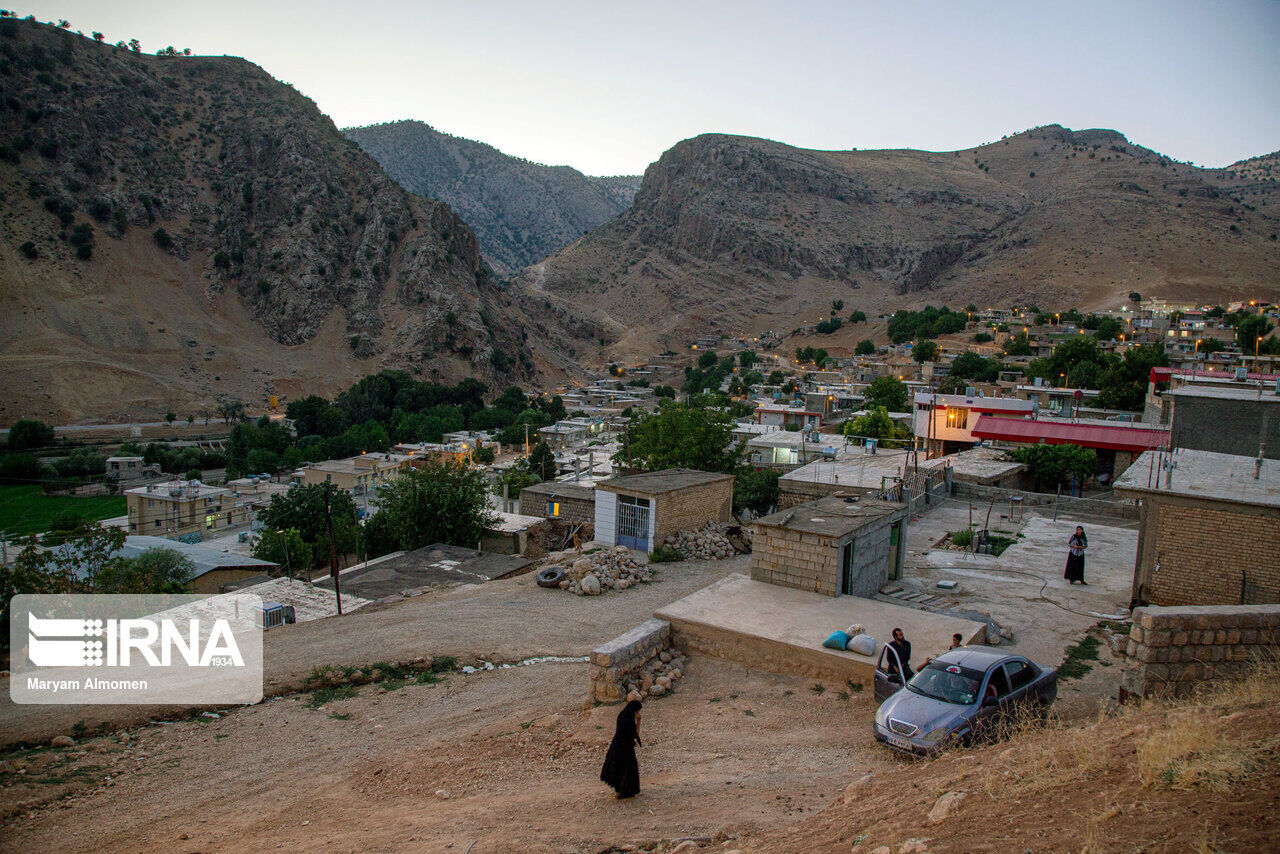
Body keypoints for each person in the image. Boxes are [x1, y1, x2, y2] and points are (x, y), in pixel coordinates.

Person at [600, 699, 643, 799]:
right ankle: (624, 791)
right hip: (624, 748)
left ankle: (620, 790)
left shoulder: (622, 716)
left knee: (620, 768)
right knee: (626, 769)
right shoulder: (628, 721)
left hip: (617, 746)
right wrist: (639, 721)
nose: (637, 714)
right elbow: (635, 734)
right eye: (637, 712)